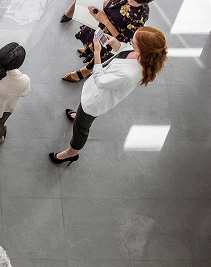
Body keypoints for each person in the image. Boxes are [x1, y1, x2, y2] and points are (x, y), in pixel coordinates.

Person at [50, 26, 168, 165]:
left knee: (81, 128)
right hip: (93, 92)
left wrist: (97, 52)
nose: (131, 41)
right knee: (82, 113)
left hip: (96, 100)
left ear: (144, 50)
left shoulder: (129, 75)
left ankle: (72, 153)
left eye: (134, 42)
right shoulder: (139, 53)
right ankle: (79, 116)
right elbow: (123, 49)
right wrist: (113, 42)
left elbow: (100, 81)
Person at [62, 0, 160, 81]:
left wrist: (105, 21)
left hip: (109, 38)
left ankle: (87, 71)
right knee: (91, 41)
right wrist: (101, 5)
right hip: (98, 23)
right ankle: (89, 51)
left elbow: (122, 41)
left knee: (100, 53)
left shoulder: (139, 16)